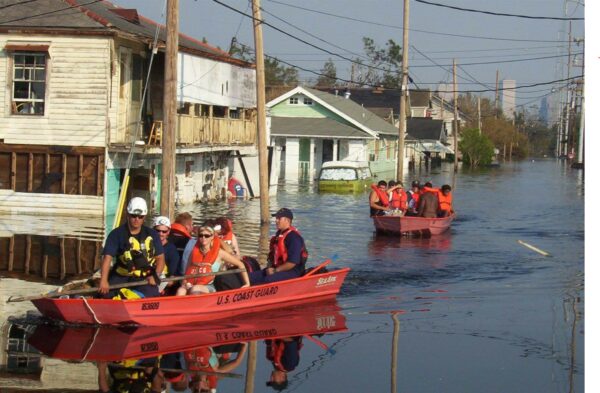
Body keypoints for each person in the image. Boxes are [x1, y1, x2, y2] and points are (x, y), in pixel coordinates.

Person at [98, 197, 165, 298]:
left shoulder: (152, 234)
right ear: (127, 214)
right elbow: (107, 258)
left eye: (140, 216)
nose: (136, 219)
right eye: (133, 216)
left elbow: (160, 258)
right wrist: (103, 281)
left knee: (152, 295)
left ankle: (128, 298)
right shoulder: (116, 234)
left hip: (145, 277)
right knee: (105, 295)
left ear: (144, 217)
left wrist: (155, 275)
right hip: (121, 275)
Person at [177, 225, 250, 295]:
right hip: (192, 283)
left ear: (212, 237)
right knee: (181, 290)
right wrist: (185, 282)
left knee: (195, 289)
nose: (203, 238)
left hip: (209, 286)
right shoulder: (194, 252)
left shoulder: (219, 252)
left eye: (206, 236)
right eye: (201, 235)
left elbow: (240, 264)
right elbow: (187, 272)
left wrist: (247, 283)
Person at [249, 208, 308, 285]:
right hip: (278, 269)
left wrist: (275, 270)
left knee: (268, 280)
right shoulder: (279, 235)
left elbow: (292, 263)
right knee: (250, 277)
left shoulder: (293, 237)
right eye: (276, 218)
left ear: (287, 220)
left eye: (279, 218)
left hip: (293, 271)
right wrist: (271, 268)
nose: (276, 221)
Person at [153, 216, 183, 295]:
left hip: (161, 285)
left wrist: (161, 286)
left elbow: (173, 279)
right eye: (158, 231)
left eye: (164, 231)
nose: (160, 234)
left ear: (168, 232)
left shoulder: (172, 251)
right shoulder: (147, 245)